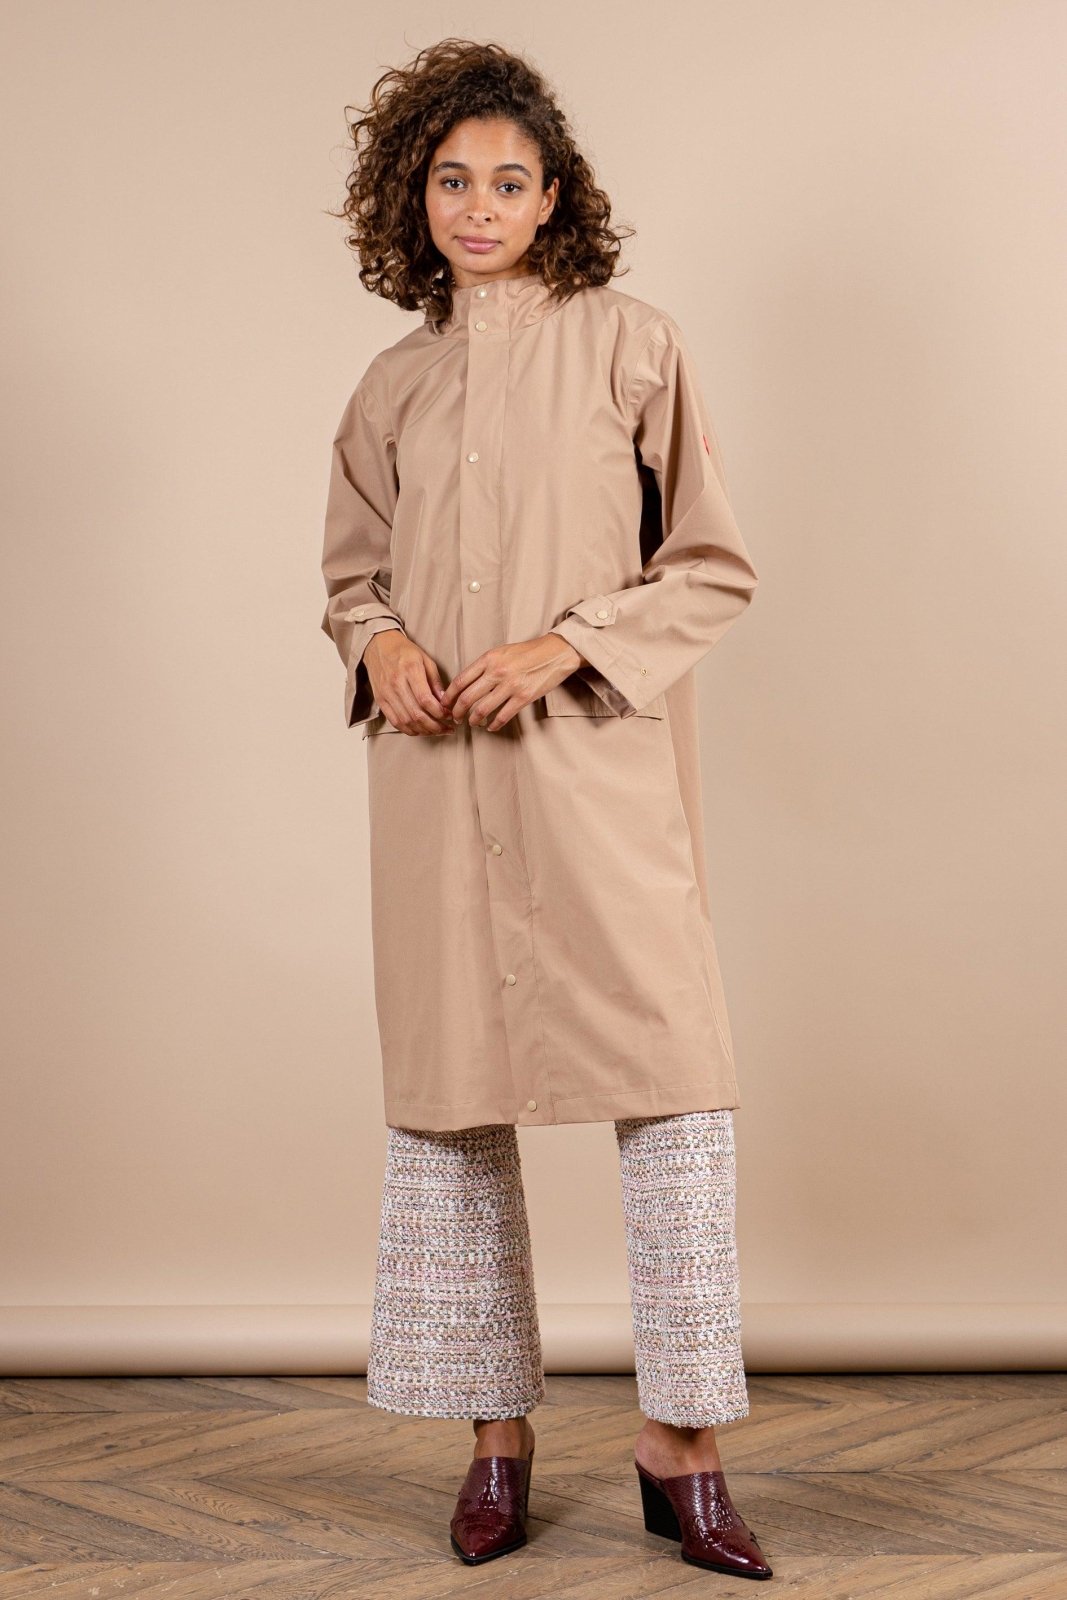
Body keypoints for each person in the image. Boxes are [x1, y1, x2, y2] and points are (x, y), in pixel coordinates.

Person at [320, 38, 772, 1581]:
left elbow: (710, 564)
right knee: (454, 1108)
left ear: (554, 197)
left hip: (595, 772)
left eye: (508, 181)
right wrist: (381, 642)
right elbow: (351, 579)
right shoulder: (391, 386)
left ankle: (683, 1447)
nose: (479, 206)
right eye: (452, 181)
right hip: (438, 781)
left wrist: (567, 644)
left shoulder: (635, 346)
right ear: (416, 199)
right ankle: (494, 1443)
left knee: (675, 1086)